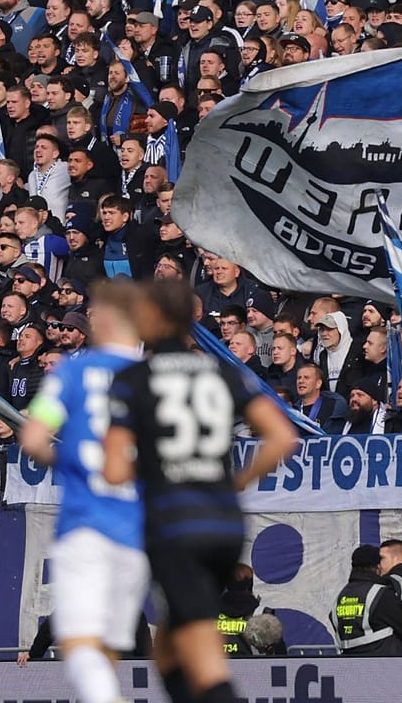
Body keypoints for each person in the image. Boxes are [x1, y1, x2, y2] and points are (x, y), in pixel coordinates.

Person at [103, 278, 299, 703]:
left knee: (201, 650)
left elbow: (116, 469)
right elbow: (283, 437)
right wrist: (236, 483)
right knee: (171, 649)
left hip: (176, 524)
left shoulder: (134, 379)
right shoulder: (224, 372)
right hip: (224, 522)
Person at [19, 279, 150, 703]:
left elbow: (33, 438)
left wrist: (71, 464)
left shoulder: (71, 372)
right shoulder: (149, 376)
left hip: (82, 520)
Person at [329, 543, 402, 656]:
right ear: (377, 567)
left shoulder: (342, 595)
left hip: (348, 665)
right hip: (380, 665)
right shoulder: (380, 594)